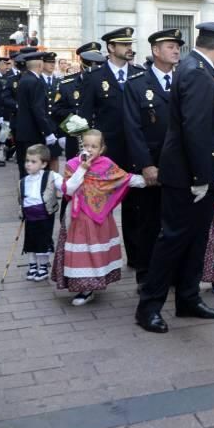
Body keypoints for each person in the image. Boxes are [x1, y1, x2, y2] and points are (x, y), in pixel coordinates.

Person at [135, 22, 214, 334]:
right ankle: (148, 306)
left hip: (196, 170)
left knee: (196, 239)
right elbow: (195, 128)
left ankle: (188, 298)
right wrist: (201, 176)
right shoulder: (196, 71)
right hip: (188, 175)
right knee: (173, 240)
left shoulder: (194, 68)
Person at [52, 129, 147, 306]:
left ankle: (90, 286)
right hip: (77, 218)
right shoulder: (73, 164)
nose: (89, 149)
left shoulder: (107, 165)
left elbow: (124, 179)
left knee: (94, 251)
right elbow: (69, 189)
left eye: (94, 146)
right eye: (86, 145)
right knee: (82, 251)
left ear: (102, 148)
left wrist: (148, 180)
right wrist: (82, 169)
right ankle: (84, 287)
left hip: (99, 219)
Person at [80, 27, 145, 271]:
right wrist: (85, 153)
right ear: (110, 48)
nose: (129, 48)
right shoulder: (94, 78)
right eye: (123, 44)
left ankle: (137, 258)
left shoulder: (140, 74)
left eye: (130, 43)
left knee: (135, 207)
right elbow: (84, 118)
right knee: (100, 206)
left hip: (135, 150)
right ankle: (99, 260)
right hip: (107, 154)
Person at [123, 28, 183, 287]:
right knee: (148, 222)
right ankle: (146, 275)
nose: (177, 50)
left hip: (180, 166)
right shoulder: (137, 84)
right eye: (170, 46)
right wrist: (146, 165)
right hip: (152, 165)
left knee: (176, 222)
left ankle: (172, 273)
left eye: (178, 46)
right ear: (156, 51)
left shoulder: (185, 80)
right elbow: (132, 129)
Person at [52, 43, 105, 160]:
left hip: (102, 139)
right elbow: (56, 111)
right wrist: (76, 115)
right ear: (83, 63)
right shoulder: (67, 85)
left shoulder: (107, 83)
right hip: (77, 139)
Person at [19, 144, 63, 282]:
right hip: (29, 216)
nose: (28, 165)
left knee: (43, 242)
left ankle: (43, 267)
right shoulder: (23, 181)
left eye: (33, 162)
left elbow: (65, 186)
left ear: (44, 164)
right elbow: (22, 199)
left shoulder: (51, 176)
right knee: (30, 242)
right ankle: (32, 265)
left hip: (45, 215)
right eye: (27, 161)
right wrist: (21, 212)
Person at [13, 51, 56, 179]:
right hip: (33, 133)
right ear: (40, 65)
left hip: (23, 131)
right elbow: (38, 110)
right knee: (35, 167)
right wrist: (48, 132)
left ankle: (25, 194)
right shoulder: (35, 82)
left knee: (25, 166)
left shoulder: (25, 79)